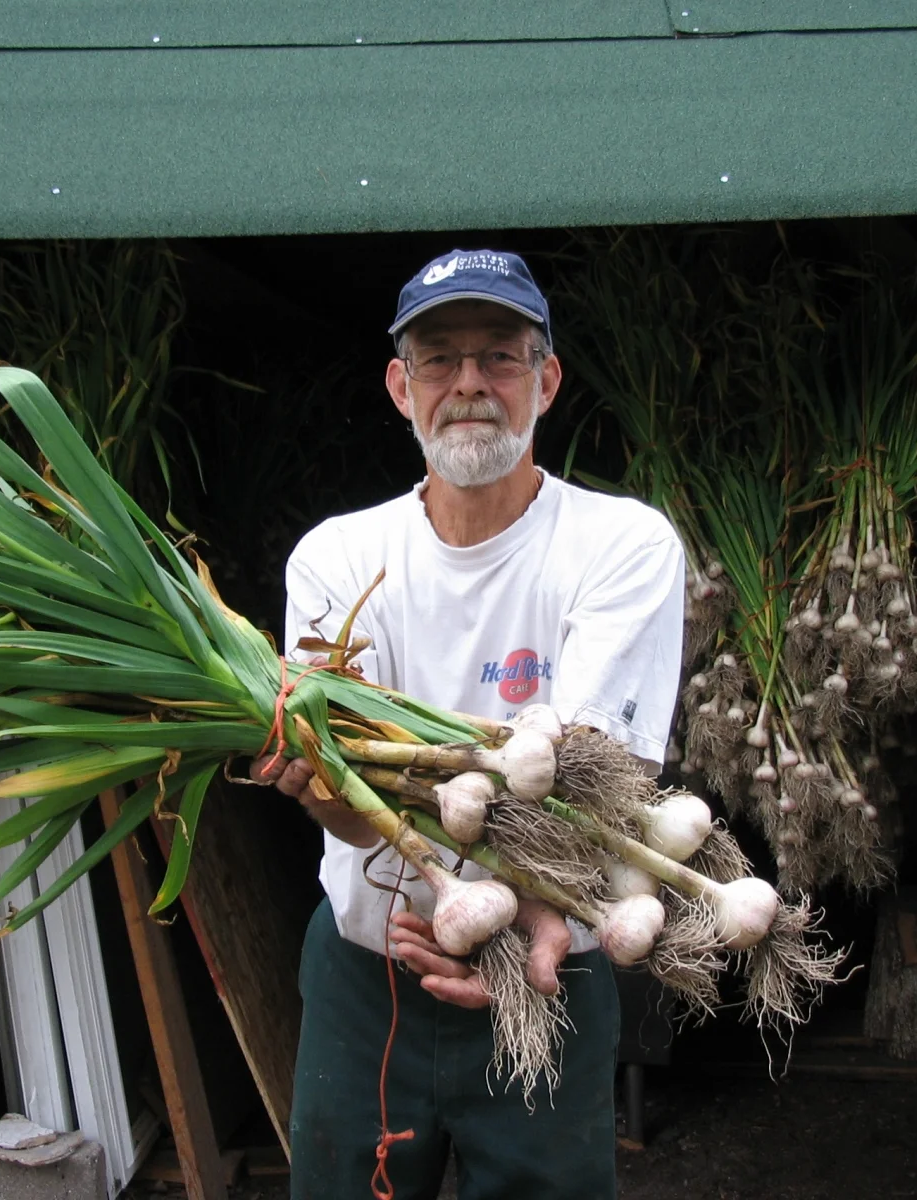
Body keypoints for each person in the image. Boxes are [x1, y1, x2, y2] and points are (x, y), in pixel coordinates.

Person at [252, 249, 685, 1200]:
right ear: (401, 387)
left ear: (547, 380)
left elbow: (592, 777)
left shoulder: (621, 544)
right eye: (440, 359)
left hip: (552, 974)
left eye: (499, 356)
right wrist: (322, 789)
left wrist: (529, 920)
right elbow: (349, 798)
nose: (470, 384)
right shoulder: (338, 558)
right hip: (371, 980)